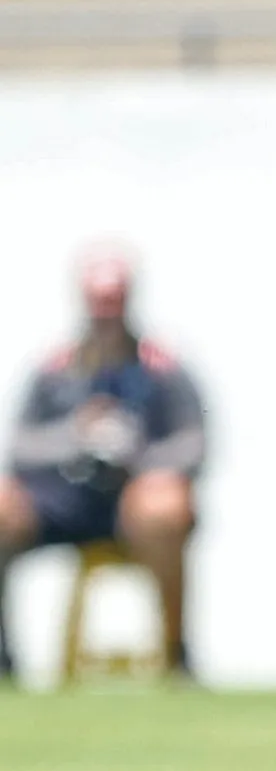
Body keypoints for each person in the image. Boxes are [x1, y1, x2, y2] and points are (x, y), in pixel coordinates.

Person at [0, 247, 206, 682]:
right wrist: (75, 437)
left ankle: (176, 654)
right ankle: (5, 659)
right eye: (98, 303)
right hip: (63, 499)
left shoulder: (163, 370)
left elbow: (194, 446)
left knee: (164, 505)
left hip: (134, 506)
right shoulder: (53, 369)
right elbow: (20, 448)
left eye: (114, 303)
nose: (105, 315)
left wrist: (137, 454)